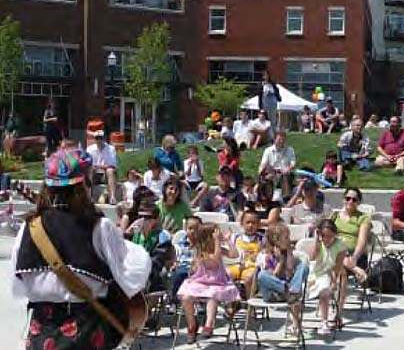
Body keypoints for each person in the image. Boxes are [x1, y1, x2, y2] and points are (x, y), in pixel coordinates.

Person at [12, 149, 151, 350]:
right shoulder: (98, 227)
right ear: (83, 186)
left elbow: (19, 287)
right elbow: (132, 275)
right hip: (84, 331)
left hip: (41, 331)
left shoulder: (29, 227)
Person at [177, 224, 240, 343]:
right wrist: (217, 242)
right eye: (217, 233)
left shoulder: (218, 249)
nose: (219, 235)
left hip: (217, 283)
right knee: (186, 297)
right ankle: (192, 324)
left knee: (212, 296)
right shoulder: (200, 250)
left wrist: (227, 241)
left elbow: (234, 255)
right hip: (201, 281)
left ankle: (209, 325)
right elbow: (214, 262)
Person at [255, 223, 308, 333]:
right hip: (272, 293)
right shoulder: (266, 256)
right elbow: (273, 277)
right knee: (262, 275)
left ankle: (293, 291)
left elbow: (289, 271)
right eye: (286, 237)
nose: (289, 240)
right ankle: (290, 290)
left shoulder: (289, 252)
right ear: (276, 240)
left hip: (288, 294)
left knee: (303, 266)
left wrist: (288, 253)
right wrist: (280, 261)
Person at [308, 219, 347, 335]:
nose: (327, 239)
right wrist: (317, 242)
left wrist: (333, 280)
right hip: (313, 273)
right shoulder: (318, 243)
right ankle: (295, 324)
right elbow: (312, 259)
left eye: (330, 236)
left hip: (329, 273)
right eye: (324, 236)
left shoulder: (340, 245)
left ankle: (325, 321)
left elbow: (338, 268)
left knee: (326, 287)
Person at [331, 187, 371, 284]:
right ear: (343, 199)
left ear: (359, 202)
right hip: (334, 251)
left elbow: (362, 241)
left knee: (340, 267)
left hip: (354, 255)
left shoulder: (363, 218)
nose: (350, 201)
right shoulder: (334, 216)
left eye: (354, 199)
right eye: (347, 198)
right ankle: (355, 270)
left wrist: (355, 257)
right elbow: (328, 233)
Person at [226, 209, 264, 297]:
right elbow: (230, 253)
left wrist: (257, 255)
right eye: (248, 222)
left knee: (249, 277)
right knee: (227, 274)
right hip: (237, 265)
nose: (250, 225)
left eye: (253, 223)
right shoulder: (235, 237)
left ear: (258, 225)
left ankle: (249, 302)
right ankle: (231, 300)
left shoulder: (262, 239)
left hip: (252, 266)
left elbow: (264, 254)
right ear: (242, 223)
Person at [258, 129, 296, 198]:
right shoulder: (268, 150)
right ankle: (265, 197)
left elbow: (293, 164)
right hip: (273, 172)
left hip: (285, 173)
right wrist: (261, 171)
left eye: (283, 139)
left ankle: (286, 197)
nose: (281, 141)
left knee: (285, 176)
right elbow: (263, 164)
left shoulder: (290, 150)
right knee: (265, 176)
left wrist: (288, 168)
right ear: (274, 139)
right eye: (279, 139)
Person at [86, 129, 118, 204]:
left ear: (104, 138)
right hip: (95, 173)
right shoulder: (90, 149)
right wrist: (98, 166)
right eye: (97, 138)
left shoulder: (111, 149)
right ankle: (89, 197)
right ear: (94, 139)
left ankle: (112, 197)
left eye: (101, 138)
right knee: (90, 170)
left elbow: (112, 165)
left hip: (106, 174)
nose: (99, 140)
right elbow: (87, 164)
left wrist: (98, 166)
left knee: (110, 171)